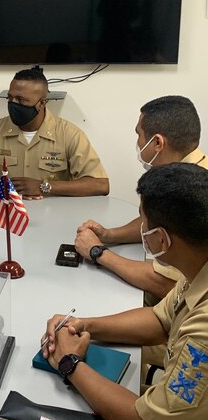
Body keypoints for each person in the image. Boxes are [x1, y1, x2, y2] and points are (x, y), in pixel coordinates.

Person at [42, 163, 208, 420]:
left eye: (145, 224)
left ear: (163, 239)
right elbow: (159, 319)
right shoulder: (198, 265)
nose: (142, 232)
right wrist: (85, 325)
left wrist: (70, 366)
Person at [76, 96, 207, 300]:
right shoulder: (193, 172)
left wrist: (97, 252)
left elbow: (167, 284)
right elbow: (156, 222)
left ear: (157, 142)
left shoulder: (184, 194)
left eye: (139, 135)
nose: (137, 143)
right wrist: (110, 235)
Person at [0, 66, 109, 198]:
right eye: (10, 98)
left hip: (58, 215)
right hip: (12, 213)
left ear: (42, 103)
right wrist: (5, 187)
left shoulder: (69, 134)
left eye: (21, 100)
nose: (13, 104)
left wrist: (43, 187)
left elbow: (100, 185)